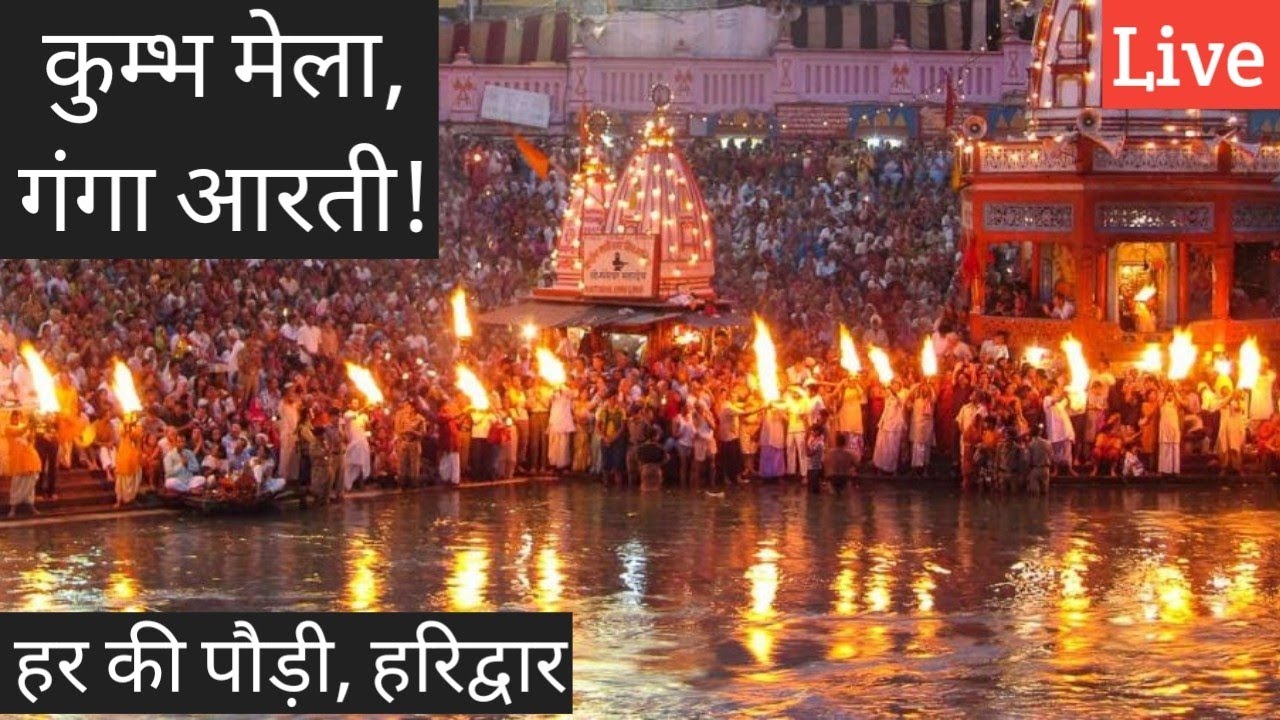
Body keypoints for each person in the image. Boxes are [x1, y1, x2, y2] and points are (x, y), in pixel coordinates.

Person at [6, 411, 42, 517]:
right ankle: (13, 508)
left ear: (21, 418)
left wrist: (32, 429)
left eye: (18, 417)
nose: (16, 419)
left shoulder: (24, 427)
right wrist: (29, 425)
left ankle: (31, 506)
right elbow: (19, 432)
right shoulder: (8, 428)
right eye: (14, 417)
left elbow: (30, 440)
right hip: (18, 460)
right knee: (17, 483)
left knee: (30, 483)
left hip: (30, 457)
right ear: (11, 418)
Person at [872, 379, 907, 474]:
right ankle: (880, 467)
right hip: (885, 423)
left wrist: (892, 391)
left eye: (896, 385)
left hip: (894, 426)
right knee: (881, 446)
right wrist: (884, 386)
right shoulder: (888, 395)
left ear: (900, 386)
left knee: (892, 448)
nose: (894, 386)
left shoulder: (902, 394)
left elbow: (900, 401)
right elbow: (879, 394)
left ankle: (891, 469)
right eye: (893, 384)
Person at [393, 396, 426, 486]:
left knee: (414, 466)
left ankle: (414, 484)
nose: (407, 408)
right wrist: (403, 433)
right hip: (404, 442)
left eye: (409, 406)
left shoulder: (420, 419)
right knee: (402, 465)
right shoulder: (402, 417)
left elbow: (423, 434)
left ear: (414, 408)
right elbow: (397, 429)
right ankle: (401, 484)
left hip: (414, 443)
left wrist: (413, 432)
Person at [114, 423, 143, 508]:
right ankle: (119, 500)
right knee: (120, 481)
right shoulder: (121, 426)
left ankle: (132, 499)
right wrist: (127, 427)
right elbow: (121, 433)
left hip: (134, 456)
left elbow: (137, 438)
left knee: (135, 479)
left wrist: (132, 428)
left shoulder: (137, 426)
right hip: (123, 456)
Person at [1157, 389, 1182, 475]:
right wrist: (1164, 390)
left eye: (1171, 395)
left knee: (1174, 449)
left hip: (1174, 429)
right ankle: (1163, 470)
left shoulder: (1175, 405)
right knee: (1164, 449)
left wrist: (1175, 390)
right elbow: (1160, 398)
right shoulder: (1162, 405)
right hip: (1165, 428)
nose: (1170, 396)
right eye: (1168, 395)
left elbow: (1180, 401)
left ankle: (1175, 470)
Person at [635, 427, 666, 491]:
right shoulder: (660, 447)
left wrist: (642, 467)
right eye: (658, 435)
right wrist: (659, 464)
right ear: (654, 436)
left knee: (645, 491)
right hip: (656, 469)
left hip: (645, 469)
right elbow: (666, 458)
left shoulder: (641, 448)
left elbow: (637, 459)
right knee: (656, 491)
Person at [1026, 427, 1053, 494]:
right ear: (1040, 432)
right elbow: (1051, 456)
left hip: (1035, 469)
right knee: (1045, 493)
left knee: (1034, 494)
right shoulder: (1048, 443)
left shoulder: (1030, 444)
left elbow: (1027, 459)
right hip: (1046, 469)